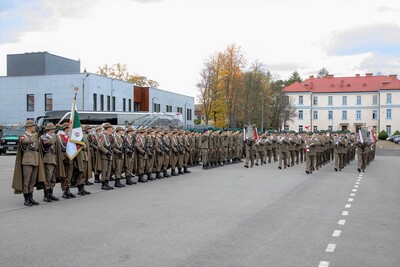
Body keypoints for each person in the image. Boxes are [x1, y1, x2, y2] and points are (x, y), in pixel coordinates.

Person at [12, 120, 45, 206]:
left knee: (33, 180)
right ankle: (26, 199)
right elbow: (28, 141)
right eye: (33, 126)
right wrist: (36, 135)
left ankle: (31, 197)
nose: (34, 128)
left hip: (35, 159)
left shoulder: (34, 136)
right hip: (27, 160)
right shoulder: (23, 136)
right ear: (29, 127)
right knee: (26, 180)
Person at [56, 122, 76, 199]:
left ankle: (68, 190)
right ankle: (64, 191)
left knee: (69, 175)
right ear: (65, 128)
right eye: (68, 128)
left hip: (70, 157)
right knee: (64, 175)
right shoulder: (60, 137)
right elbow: (59, 148)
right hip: (64, 157)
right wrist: (62, 158)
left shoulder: (70, 137)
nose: (70, 129)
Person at [40, 123, 58, 202]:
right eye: (53, 129)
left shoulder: (52, 136)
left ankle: (51, 193)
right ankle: (46, 195)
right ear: (49, 130)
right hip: (48, 159)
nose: (54, 130)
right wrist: (54, 135)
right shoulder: (43, 137)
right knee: (48, 177)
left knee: (53, 178)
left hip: (53, 158)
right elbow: (51, 142)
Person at [98, 123, 114, 190]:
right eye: (110, 128)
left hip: (109, 155)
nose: (112, 129)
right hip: (104, 156)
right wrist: (106, 152)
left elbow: (112, 144)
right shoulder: (102, 136)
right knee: (104, 170)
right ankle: (103, 184)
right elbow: (100, 146)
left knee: (108, 169)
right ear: (107, 129)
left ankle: (107, 183)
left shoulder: (110, 136)